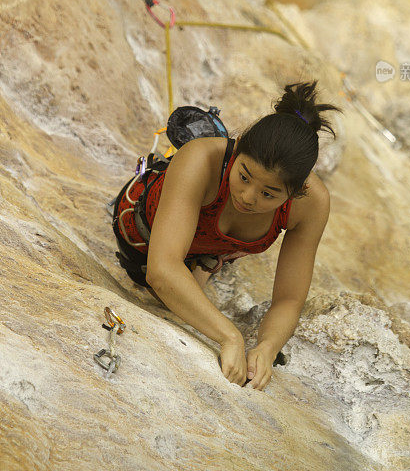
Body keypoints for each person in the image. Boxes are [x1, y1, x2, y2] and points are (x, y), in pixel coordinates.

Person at [112, 81, 341, 391]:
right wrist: (228, 335)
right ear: (238, 147)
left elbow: (289, 298)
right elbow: (161, 271)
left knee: (191, 288)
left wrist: (267, 347)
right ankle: (206, 263)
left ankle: (207, 262)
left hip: (208, 251)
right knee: (167, 296)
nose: (248, 197)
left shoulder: (311, 204)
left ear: (296, 193)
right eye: (243, 176)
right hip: (142, 238)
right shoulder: (203, 159)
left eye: (268, 193)